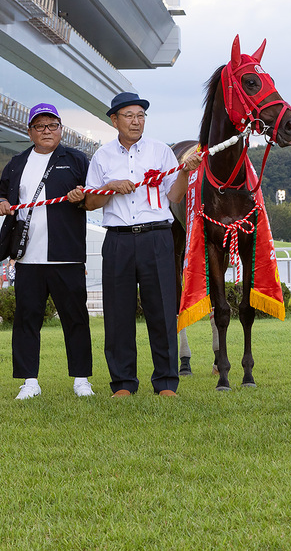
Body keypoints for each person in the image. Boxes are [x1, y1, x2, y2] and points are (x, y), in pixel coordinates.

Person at [85, 92, 200, 398]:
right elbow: (89, 202)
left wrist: (185, 172)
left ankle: (165, 383)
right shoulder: (102, 156)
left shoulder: (161, 152)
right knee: (118, 313)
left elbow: (174, 197)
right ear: (115, 120)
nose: (136, 122)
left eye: (141, 116)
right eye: (129, 116)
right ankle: (123, 383)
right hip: (118, 239)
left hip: (157, 237)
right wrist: (109, 188)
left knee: (162, 311)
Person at [0, 103, 94, 400]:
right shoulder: (16, 163)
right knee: (27, 319)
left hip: (68, 255)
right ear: (30, 132)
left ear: (61, 129)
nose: (47, 131)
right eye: (40, 126)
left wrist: (83, 197)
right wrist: (1, 201)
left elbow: (94, 198)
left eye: (52, 125)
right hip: (27, 258)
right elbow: (4, 194)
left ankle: (81, 379)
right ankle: (29, 381)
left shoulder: (76, 160)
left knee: (76, 318)